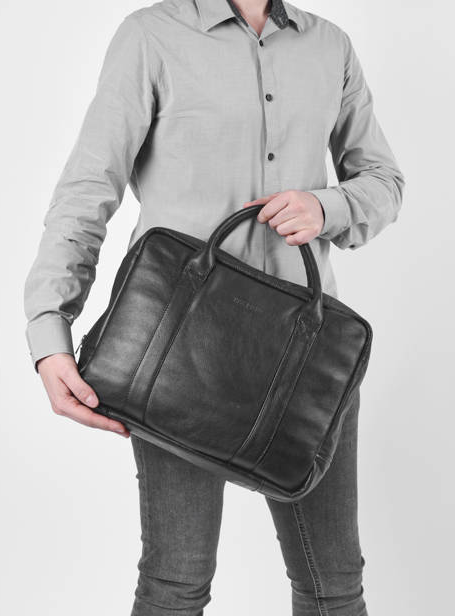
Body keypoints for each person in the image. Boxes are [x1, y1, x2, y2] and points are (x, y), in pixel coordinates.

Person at [23, 0, 404, 614]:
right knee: (176, 581)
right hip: (177, 353)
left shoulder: (330, 45)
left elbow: (384, 180)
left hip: (304, 363)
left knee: (334, 587)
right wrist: (50, 332)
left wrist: (326, 206)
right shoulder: (150, 36)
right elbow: (88, 189)